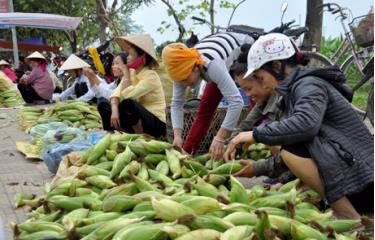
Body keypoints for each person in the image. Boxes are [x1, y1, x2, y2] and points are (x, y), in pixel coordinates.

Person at [225, 33, 373, 219]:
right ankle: (359, 217)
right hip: (357, 178)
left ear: (277, 66)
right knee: (289, 143)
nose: (263, 84)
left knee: (288, 145)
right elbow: (306, 149)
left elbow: (305, 126)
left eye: (261, 78)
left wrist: (254, 134)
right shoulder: (295, 91)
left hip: (364, 179)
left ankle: (347, 215)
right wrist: (257, 169)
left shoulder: (309, 85)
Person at [162, 32, 254, 159]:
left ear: (194, 67)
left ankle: (257, 141)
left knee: (255, 97)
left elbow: (236, 102)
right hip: (221, 59)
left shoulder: (212, 66)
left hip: (245, 49)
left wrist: (220, 137)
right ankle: (187, 153)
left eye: (185, 79)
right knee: (205, 109)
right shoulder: (179, 72)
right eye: (180, 81)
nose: (185, 84)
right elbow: (176, 104)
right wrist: (177, 136)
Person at [100, 34, 166, 138]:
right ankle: (117, 133)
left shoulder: (151, 76)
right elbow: (116, 95)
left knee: (128, 103)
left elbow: (128, 96)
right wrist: (114, 111)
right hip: (137, 118)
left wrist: (126, 74)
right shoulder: (132, 73)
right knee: (102, 103)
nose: (127, 57)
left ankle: (140, 138)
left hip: (155, 122)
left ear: (142, 57)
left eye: (130, 54)